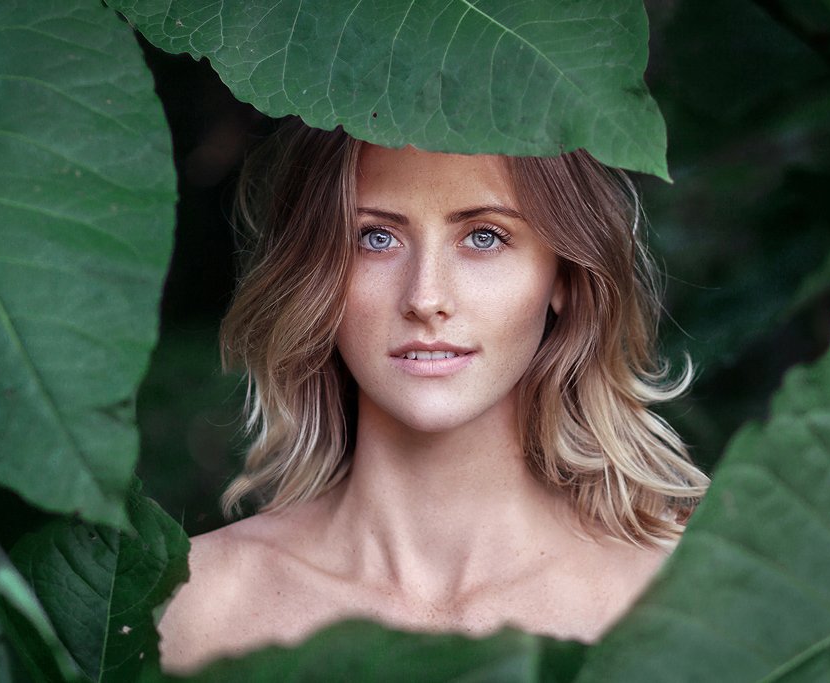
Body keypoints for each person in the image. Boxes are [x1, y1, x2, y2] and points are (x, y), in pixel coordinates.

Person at [157, 120, 709, 673]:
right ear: (314, 275)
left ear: (562, 277)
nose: (425, 298)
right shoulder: (191, 608)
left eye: (484, 237)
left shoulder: (683, 607)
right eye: (376, 237)